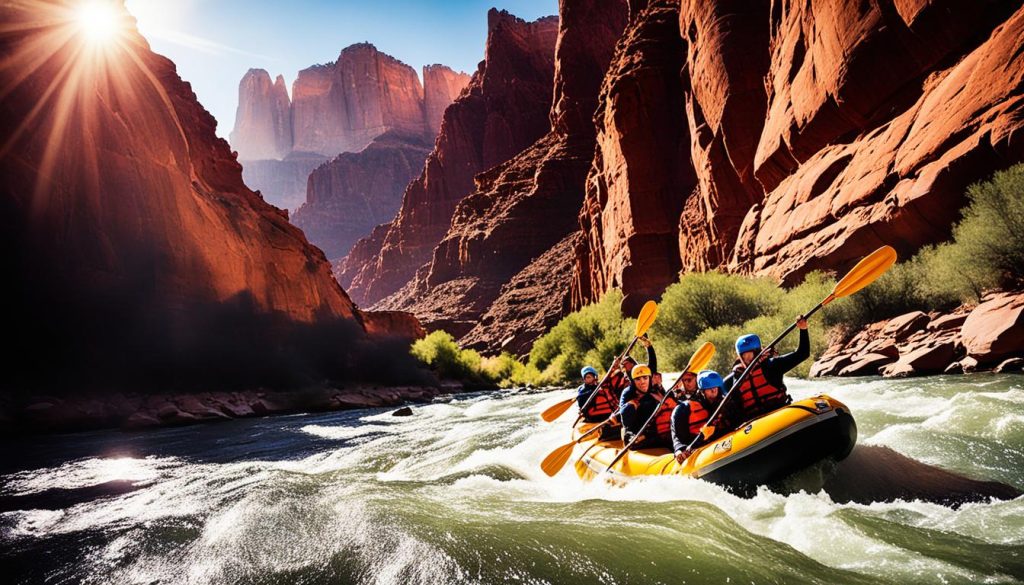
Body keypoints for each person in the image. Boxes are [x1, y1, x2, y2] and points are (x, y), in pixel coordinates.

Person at [723, 315, 810, 421]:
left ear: (758, 353)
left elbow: (802, 353)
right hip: (753, 424)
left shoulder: (773, 366)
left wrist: (803, 329)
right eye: (744, 356)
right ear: (740, 357)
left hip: (779, 414)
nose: (748, 359)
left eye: (751, 355)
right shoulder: (736, 378)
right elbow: (716, 396)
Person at [670, 370, 738, 462]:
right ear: (702, 391)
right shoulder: (684, 409)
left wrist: (717, 430)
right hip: (698, 449)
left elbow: (736, 422)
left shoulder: (726, 404)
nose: (714, 391)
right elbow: (677, 437)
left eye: (715, 387)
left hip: (723, 443)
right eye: (709, 388)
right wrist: (679, 450)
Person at [618, 364, 675, 449]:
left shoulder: (656, 392)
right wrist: (631, 405)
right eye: (638, 379)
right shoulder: (628, 393)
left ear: (650, 379)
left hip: (658, 432)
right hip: (639, 433)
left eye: (645, 378)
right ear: (633, 381)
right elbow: (625, 421)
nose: (642, 382)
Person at [575, 365, 621, 440]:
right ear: (584, 380)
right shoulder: (583, 392)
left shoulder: (604, 386)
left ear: (595, 377)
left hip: (610, 417)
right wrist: (595, 391)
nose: (588, 379)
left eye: (590, 377)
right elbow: (581, 401)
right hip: (595, 420)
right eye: (587, 377)